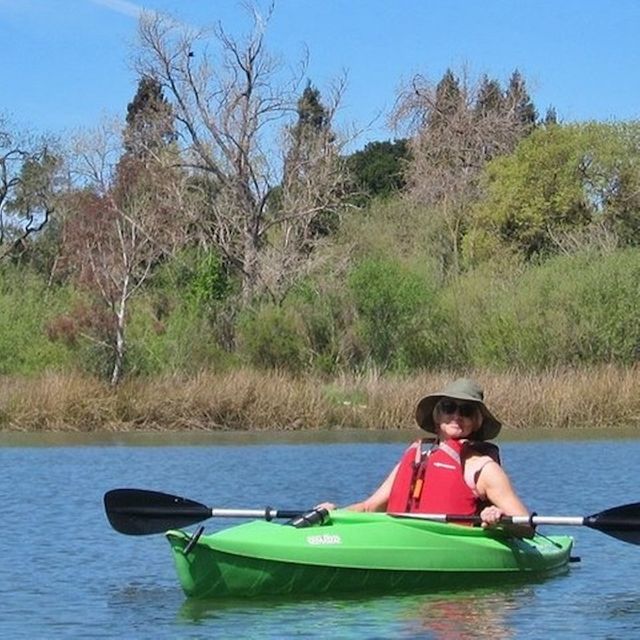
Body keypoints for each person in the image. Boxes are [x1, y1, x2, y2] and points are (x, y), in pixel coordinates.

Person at [318, 378, 532, 535]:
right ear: (437, 415)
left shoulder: (483, 469)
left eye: (466, 411)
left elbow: (526, 525)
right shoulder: (417, 454)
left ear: (477, 421)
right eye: (449, 408)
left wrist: (499, 519)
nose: (456, 416)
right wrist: (334, 515)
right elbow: (369, 507)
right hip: (399, 539)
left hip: (453, 547)